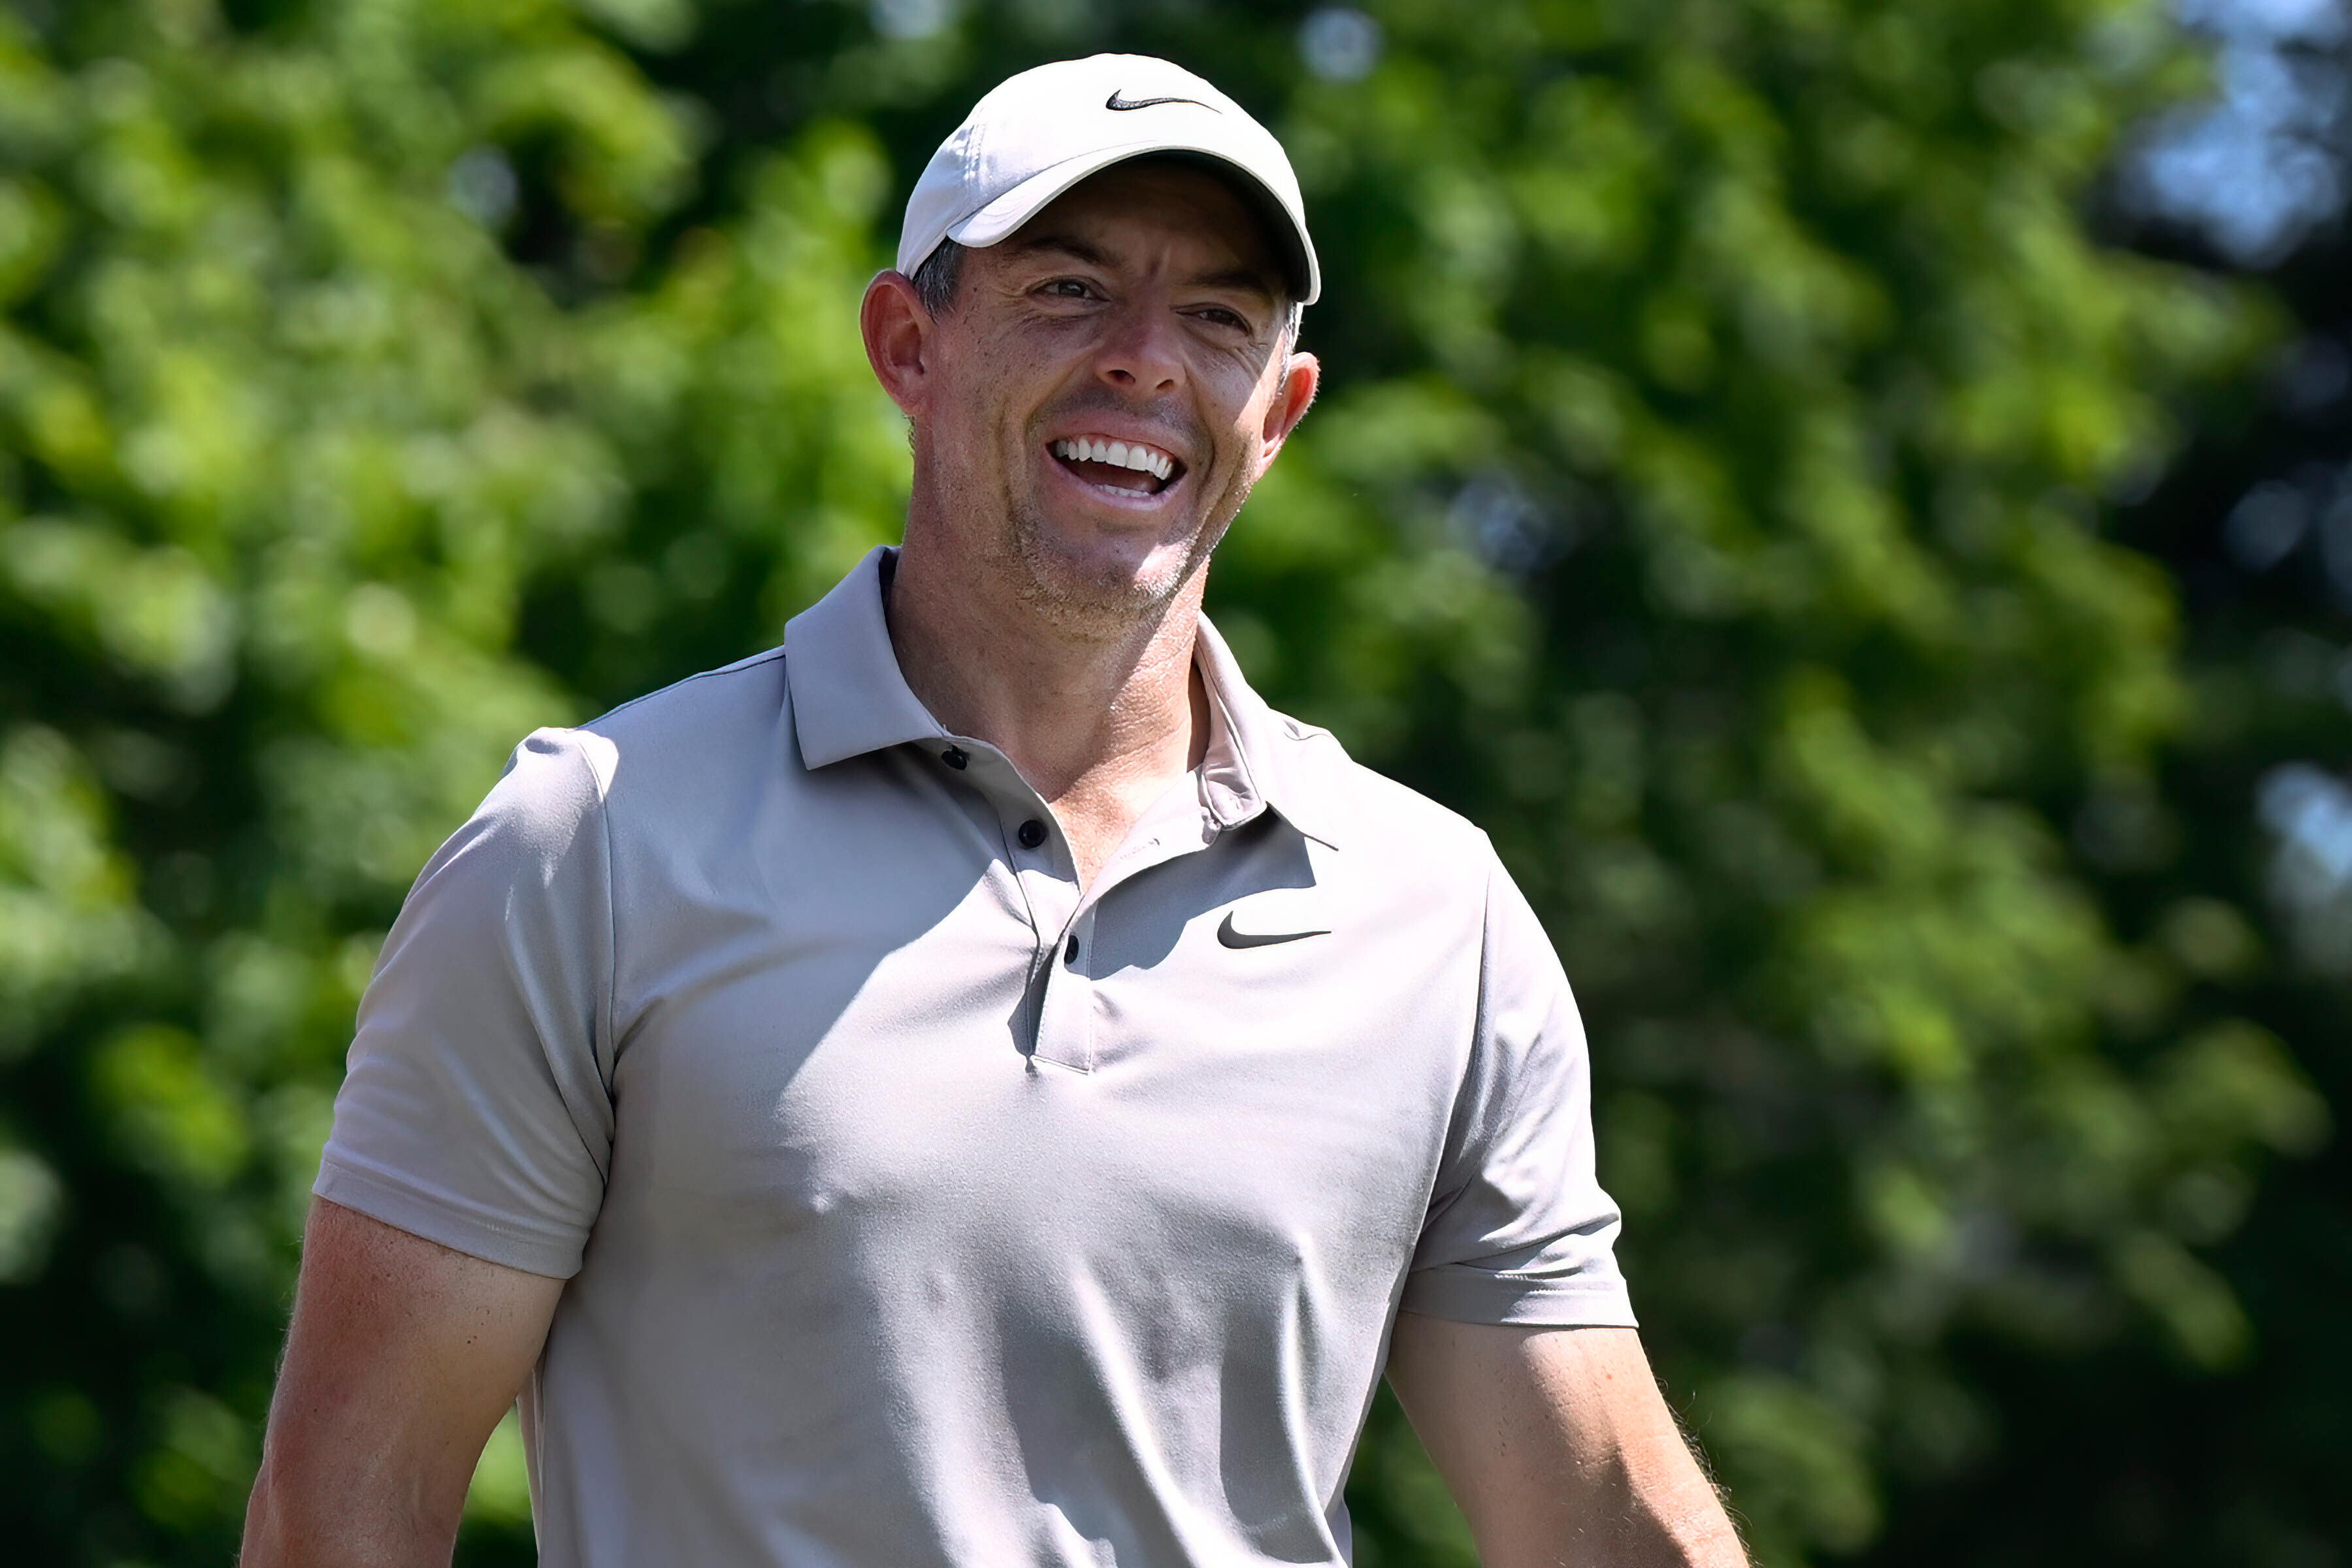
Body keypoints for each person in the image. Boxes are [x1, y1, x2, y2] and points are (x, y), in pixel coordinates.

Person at [239, 53, 1749, 1568]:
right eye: (1067, 291)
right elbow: (341, 1519)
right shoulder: (591, 847)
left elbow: (1607, 1526)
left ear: (1278, 411)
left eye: (1219, 318)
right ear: (908, 343)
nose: (1148, 361)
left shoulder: (1436, 916)